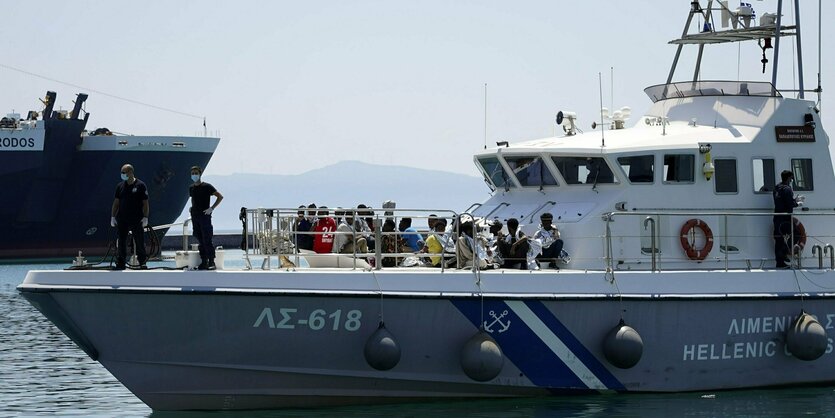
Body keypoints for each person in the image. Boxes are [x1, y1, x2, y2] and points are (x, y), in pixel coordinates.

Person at [111, 164, 149, 270]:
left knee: (139, 240)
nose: (122, 175)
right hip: (122, 218)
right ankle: (121, 263)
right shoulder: (120, 186)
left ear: (131, 172)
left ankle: (142, 262)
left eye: (124, 172)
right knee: (122, 241)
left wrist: (145, 217)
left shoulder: (141, 185)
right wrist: (113, 217)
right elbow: (116, 202)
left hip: (136, 218)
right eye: (121, 172)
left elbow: (145, 203)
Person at [189, 165, 223, 270]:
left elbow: (220, 196)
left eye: (196, 173)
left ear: (200, 174)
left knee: (207, 239)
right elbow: (193, 199)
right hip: (195, 216)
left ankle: (211, 261)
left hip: (205, 215)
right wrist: (192, 208)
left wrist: (211, 208)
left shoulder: (207, 186)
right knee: (200, 239)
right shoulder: (191, 188)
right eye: (192, 173)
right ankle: (204, 261)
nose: (194, 175)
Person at [773, 170, 804, 268]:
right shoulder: (787, 189)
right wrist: (797, 203)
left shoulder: (777, 188)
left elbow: (782, 201)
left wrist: (794, 200)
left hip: (777, 217)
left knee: (779, 239)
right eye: (791, 178)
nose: (791, 180)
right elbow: (789, 204)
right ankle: (785, 251)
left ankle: (779, 262)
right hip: (785, 218)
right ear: (788, 178)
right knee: (797, 234)